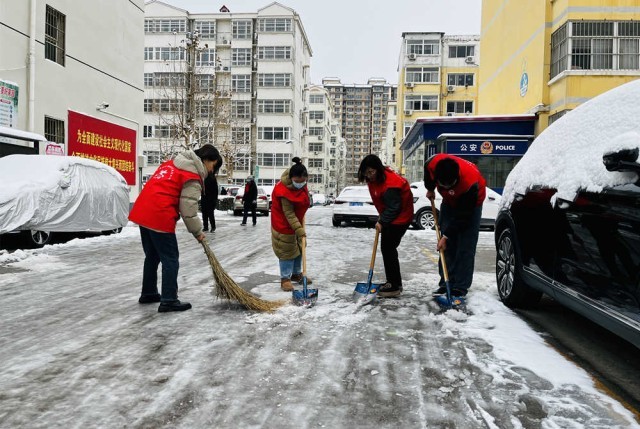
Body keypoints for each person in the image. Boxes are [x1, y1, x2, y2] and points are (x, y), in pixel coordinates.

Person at [129, 144, 222, 313]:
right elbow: (188, 209)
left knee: (152, 255)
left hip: (143, 210)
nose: (211, 171)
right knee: (170, 258)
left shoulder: (171, 164)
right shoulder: (192, 174)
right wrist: (198, 232)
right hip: (159, 214)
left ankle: (149, 293)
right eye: (213, 167)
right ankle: (169, 300)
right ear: (208, 160)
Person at [424, 154, 486, 298]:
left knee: (465, 246)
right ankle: (446, 282)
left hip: (471, 206)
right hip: (449, 202)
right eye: (443, 185)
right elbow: (428, 174)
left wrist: (446, 236)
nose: (446, 188)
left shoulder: (470, 183)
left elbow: (463, 217)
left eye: (450, 185)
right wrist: (430, 188)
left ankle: (460, 287)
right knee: (446, 247)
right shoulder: (432, 164)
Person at [358, 154, 414, 298]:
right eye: (366, 172)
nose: (369, 176)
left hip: (400, 218)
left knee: (388, 248)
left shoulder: (391, 184)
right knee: (388, 248)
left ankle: (394, 285)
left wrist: (382, 221)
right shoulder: (377, 179)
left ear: (378, 169)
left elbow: (394, 207)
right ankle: (395, 282)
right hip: (392, 216)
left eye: (371, 172)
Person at [270, 157, 312, 291]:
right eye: (297, 182)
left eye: (303, 181)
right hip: (283, 224)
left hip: (296, 223)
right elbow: (288, 213)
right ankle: (285, 278)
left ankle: (296, 274)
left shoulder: (302, 185)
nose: (300, 184)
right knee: (287, 251)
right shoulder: (283, 189)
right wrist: (299, 229)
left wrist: (299, 227)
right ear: (291, 177)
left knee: (299, 248)